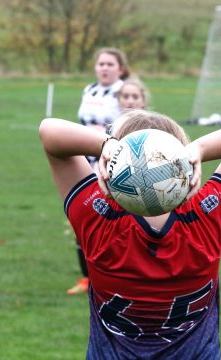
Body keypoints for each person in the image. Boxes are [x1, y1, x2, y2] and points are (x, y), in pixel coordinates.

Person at [39, 109, 221, 359]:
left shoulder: (98, 219)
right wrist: (199, 148)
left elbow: (49, 131)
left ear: (112, 161)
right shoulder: (206, 220)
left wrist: (105, 144)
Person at [68, 47, 132, 295]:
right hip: (86, 160)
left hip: (111, 162)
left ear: (121, 69)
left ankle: (118, 274)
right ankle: (87, 278)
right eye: (101, 64)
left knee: (114, 217)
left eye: (110, 64)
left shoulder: (124, 93)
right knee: (81, 216)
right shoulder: (89, 89)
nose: (104, 68)